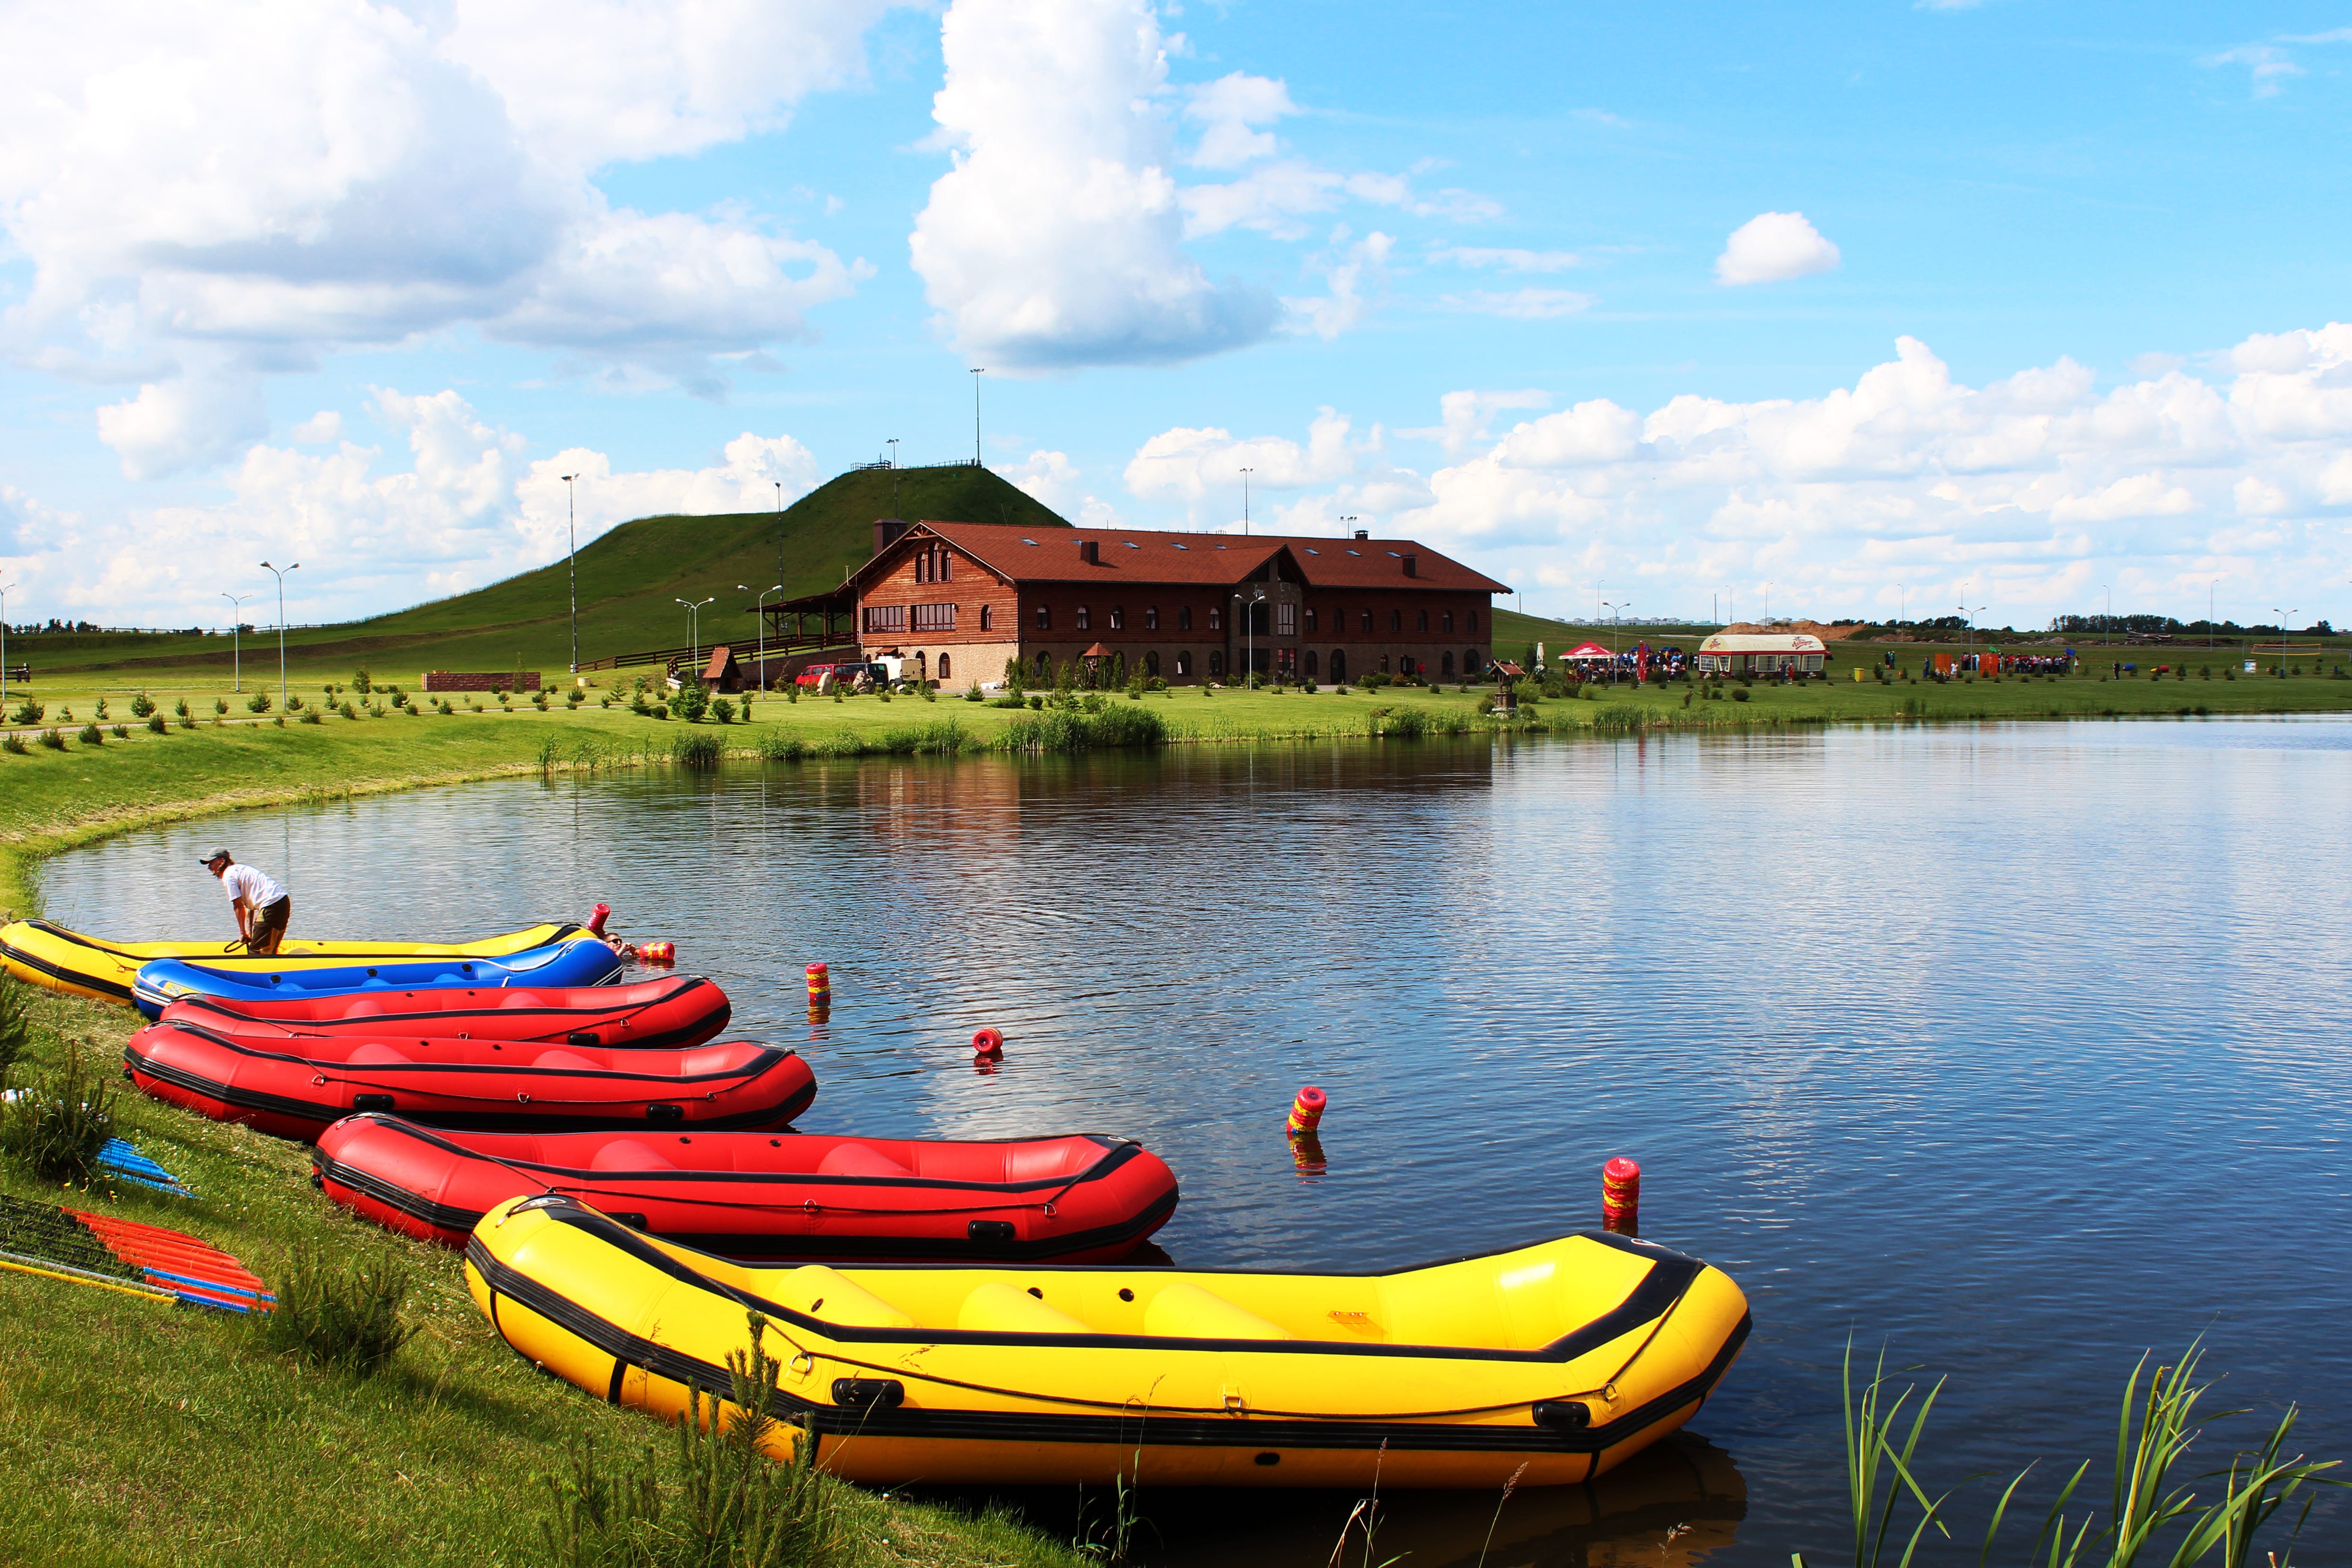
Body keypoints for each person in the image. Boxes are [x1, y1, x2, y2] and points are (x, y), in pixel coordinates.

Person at [200, 848, 291, 955]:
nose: (209, 866)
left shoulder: (228, 876)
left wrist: (243, 933)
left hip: (271, 906)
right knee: (270, 949)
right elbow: (249, 907)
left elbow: (238, 907)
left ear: (222, 861)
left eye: (211, 862)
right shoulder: (240, 869)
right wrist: (248, 932)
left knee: (256, 952)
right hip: (283, 902)